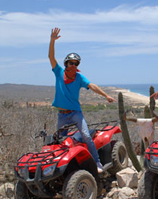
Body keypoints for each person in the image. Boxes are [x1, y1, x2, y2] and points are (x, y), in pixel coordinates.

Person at [48, 27, 116, 173]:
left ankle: (97, 162)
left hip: (75, 113)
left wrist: (106, 95)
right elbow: (51, 58)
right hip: (62, 114)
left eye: (76, 63)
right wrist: (52, 41)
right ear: (66, 63)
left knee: (85, 135)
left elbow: (92, 85)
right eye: (71, 63)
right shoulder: (59, 72)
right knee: (60, 141)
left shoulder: (79, 77)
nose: (73, 65)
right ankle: (63, 167)